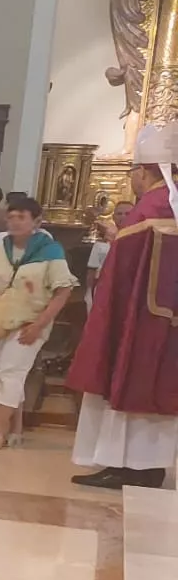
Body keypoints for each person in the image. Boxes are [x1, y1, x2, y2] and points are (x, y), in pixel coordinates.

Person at [69, 132, 177, 489]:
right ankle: (148, 466)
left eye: (133, 171)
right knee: (155, 388)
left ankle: (124, 466)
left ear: (144, 172)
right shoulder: (169, 205)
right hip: (165, 321)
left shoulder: (149, 208)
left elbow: (126, 269)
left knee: (126, 381)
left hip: (137, 317)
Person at [0, 197, 75, 449]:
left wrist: (39, 325)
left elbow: (63, 291)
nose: (14, 222)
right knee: (4, 374)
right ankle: (16, 426)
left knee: (12, 371)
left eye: (21, 217)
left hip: (30, 322)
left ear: (36, 221)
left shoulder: (50, 251)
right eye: (11, 217)